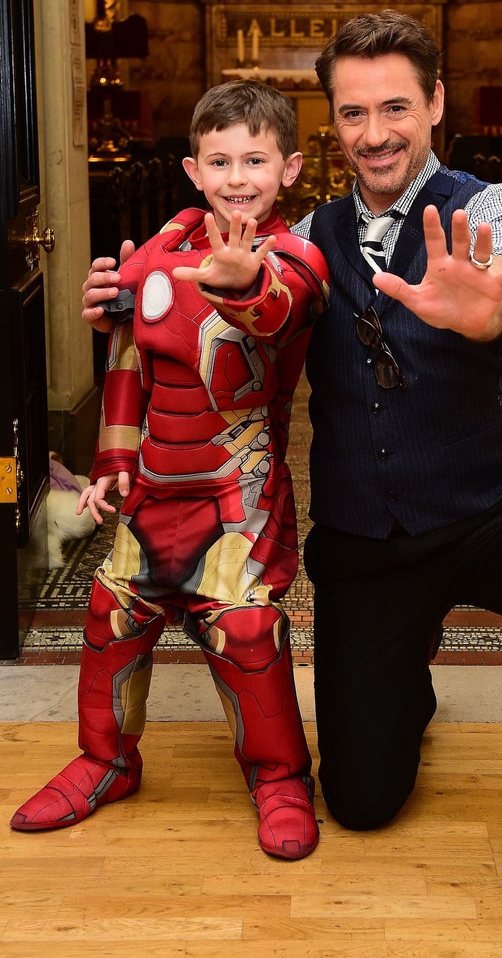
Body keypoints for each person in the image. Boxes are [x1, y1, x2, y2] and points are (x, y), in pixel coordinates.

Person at [79, 11, 502, 919]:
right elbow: (235, 296)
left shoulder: (487, 205)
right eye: (354, 113)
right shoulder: (302, 235)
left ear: (433, 103)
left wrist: (489, 306)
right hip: (365, 540)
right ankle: (403, 678)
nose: (376, 132)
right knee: (359, 801)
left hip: (483, 508)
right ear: (332, 123)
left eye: (396, 107)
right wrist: (132, 299)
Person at [11, 79, 330, 862]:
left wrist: (243, 283)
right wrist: (114, 456)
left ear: (289, 169)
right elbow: (128, 355)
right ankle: (103, 760)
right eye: (219, 160)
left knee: (248, 626)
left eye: (254, 159)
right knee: (111, 614)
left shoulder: (296, 255)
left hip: (239, 493)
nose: (236, 177)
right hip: (153, 488)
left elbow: (281, 308)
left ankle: (280, 777)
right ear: (193, 169)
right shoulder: (155, 256)